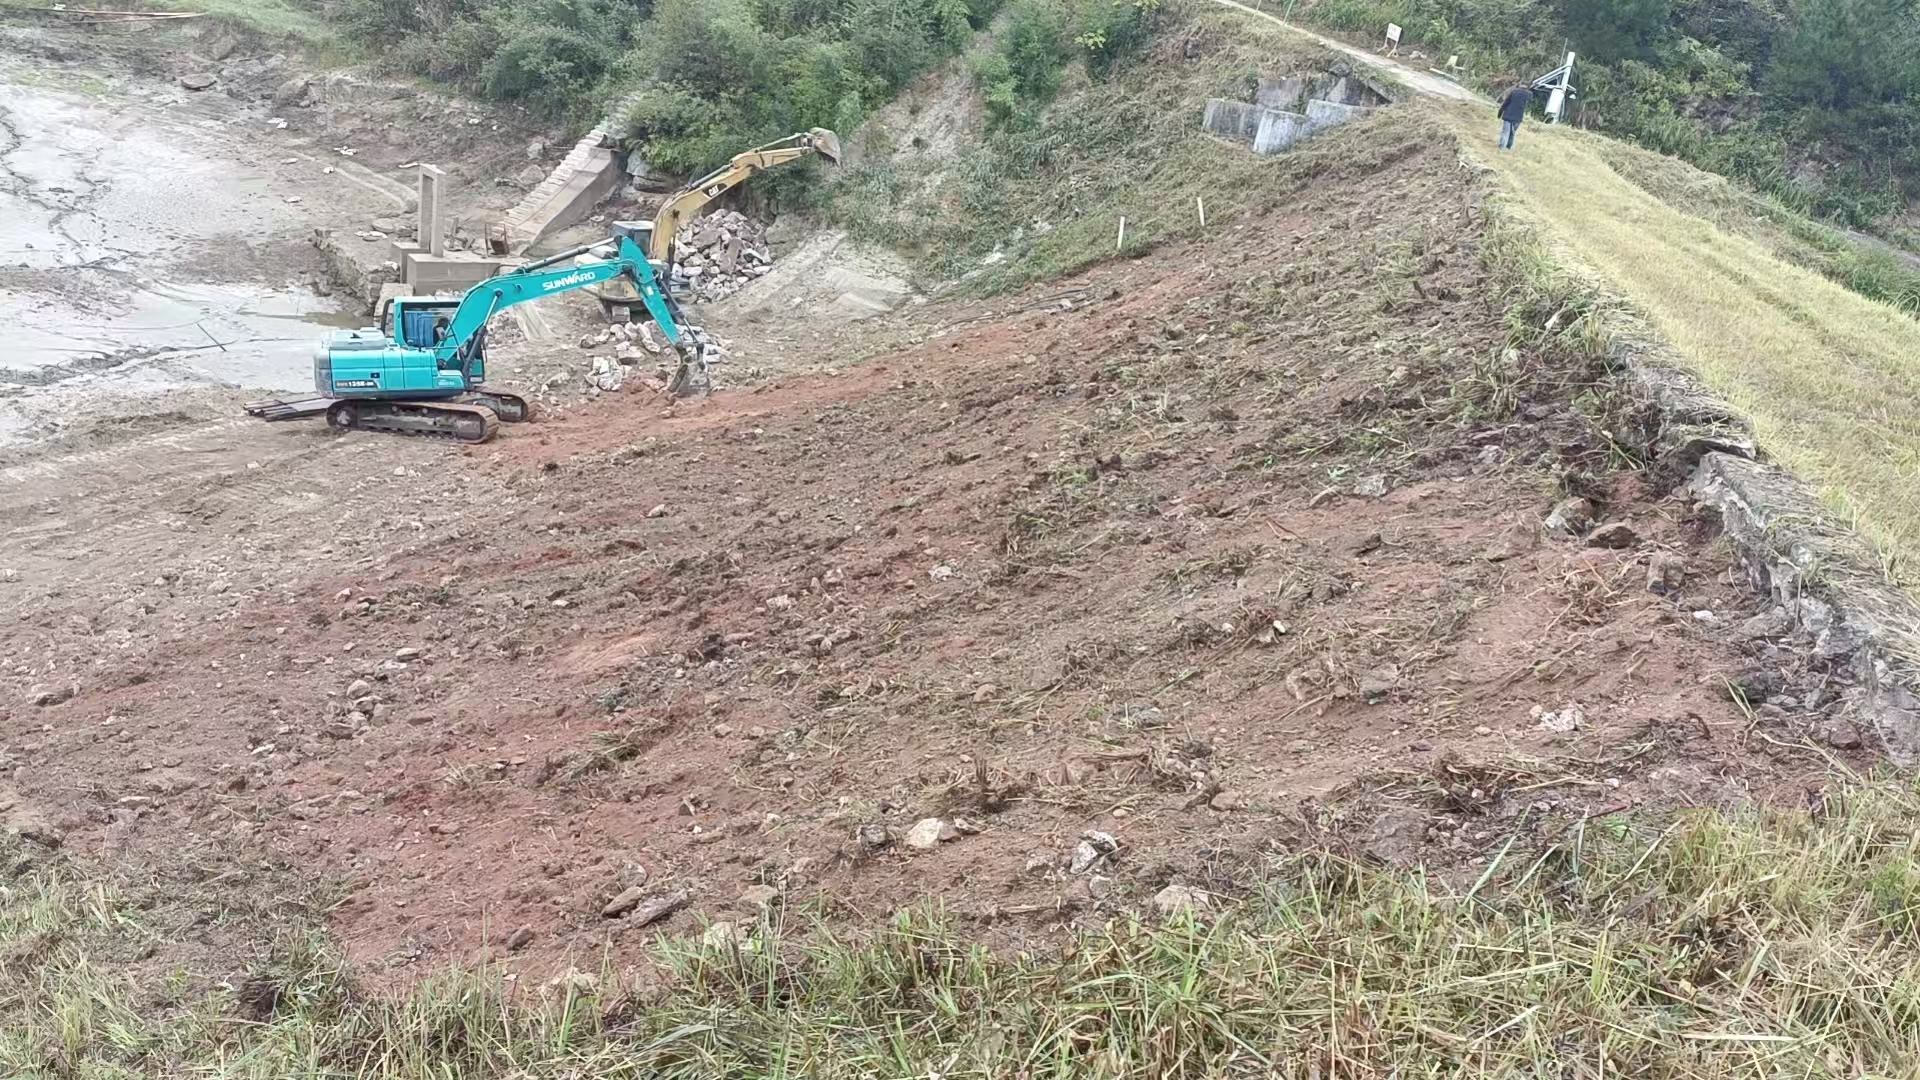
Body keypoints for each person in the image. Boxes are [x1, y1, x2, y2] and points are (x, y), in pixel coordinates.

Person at [1497, 81, 1533, 150]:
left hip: (1508, 115)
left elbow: (1506, 102)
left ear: (1520, 85)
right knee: (1512, 132)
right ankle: (1509, 147)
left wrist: (1500, 111)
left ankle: (1502, 146)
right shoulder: (1529, 94)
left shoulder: (1514, 92)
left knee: (1505, 132)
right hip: (1518, 117)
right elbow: (1529, 104)